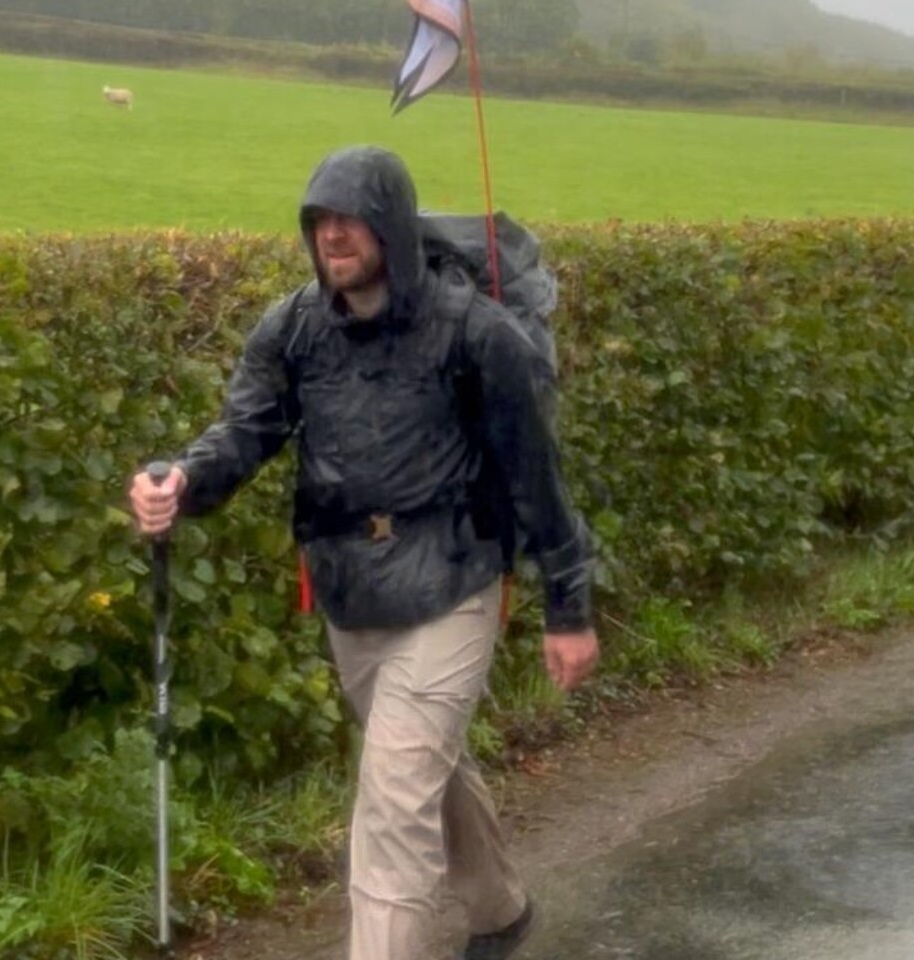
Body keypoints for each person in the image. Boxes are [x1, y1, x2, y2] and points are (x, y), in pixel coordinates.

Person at [128, 145, 599, 960]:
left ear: (391, 225)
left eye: (351, 218)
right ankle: (499, 909)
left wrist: (569, 608)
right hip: (350, 592)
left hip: (453, 581)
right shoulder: (294, 328)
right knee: (419, 770)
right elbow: (245, 430)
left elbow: (535, 476)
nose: (333, 235)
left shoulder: (474, 332)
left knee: (391, 804)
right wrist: (183, 478)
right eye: (320, 220)